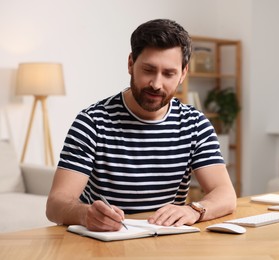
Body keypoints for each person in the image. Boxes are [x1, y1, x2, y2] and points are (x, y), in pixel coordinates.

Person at [46, 19, 237, 232]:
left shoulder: (195, 125)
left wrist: (194, 210)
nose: (156, 84)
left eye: (169, 73)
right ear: (130, 64)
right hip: (103, 243)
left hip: (166, 240)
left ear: (183, 73)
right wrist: (84, 214)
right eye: (148, 70)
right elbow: (55, 205)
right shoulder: (92, 122)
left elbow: (226, 195)